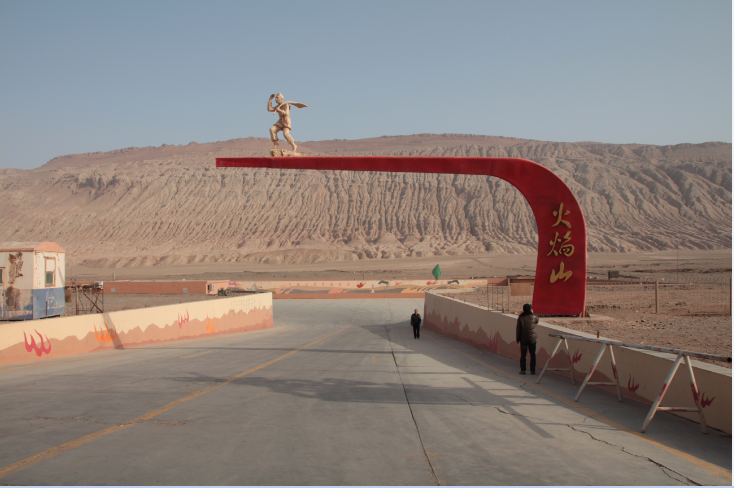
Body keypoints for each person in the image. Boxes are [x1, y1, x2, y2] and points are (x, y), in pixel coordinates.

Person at [516, 303, 538, 374]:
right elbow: (537, 321)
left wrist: (518, 339)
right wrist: (532, 313)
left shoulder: (521, 317)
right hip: (532, 338)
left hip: (523, 339)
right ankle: (532, 370)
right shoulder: (534, 316)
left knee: (523, 355)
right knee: (533, 355)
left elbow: (518, 329)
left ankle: (523, 370)